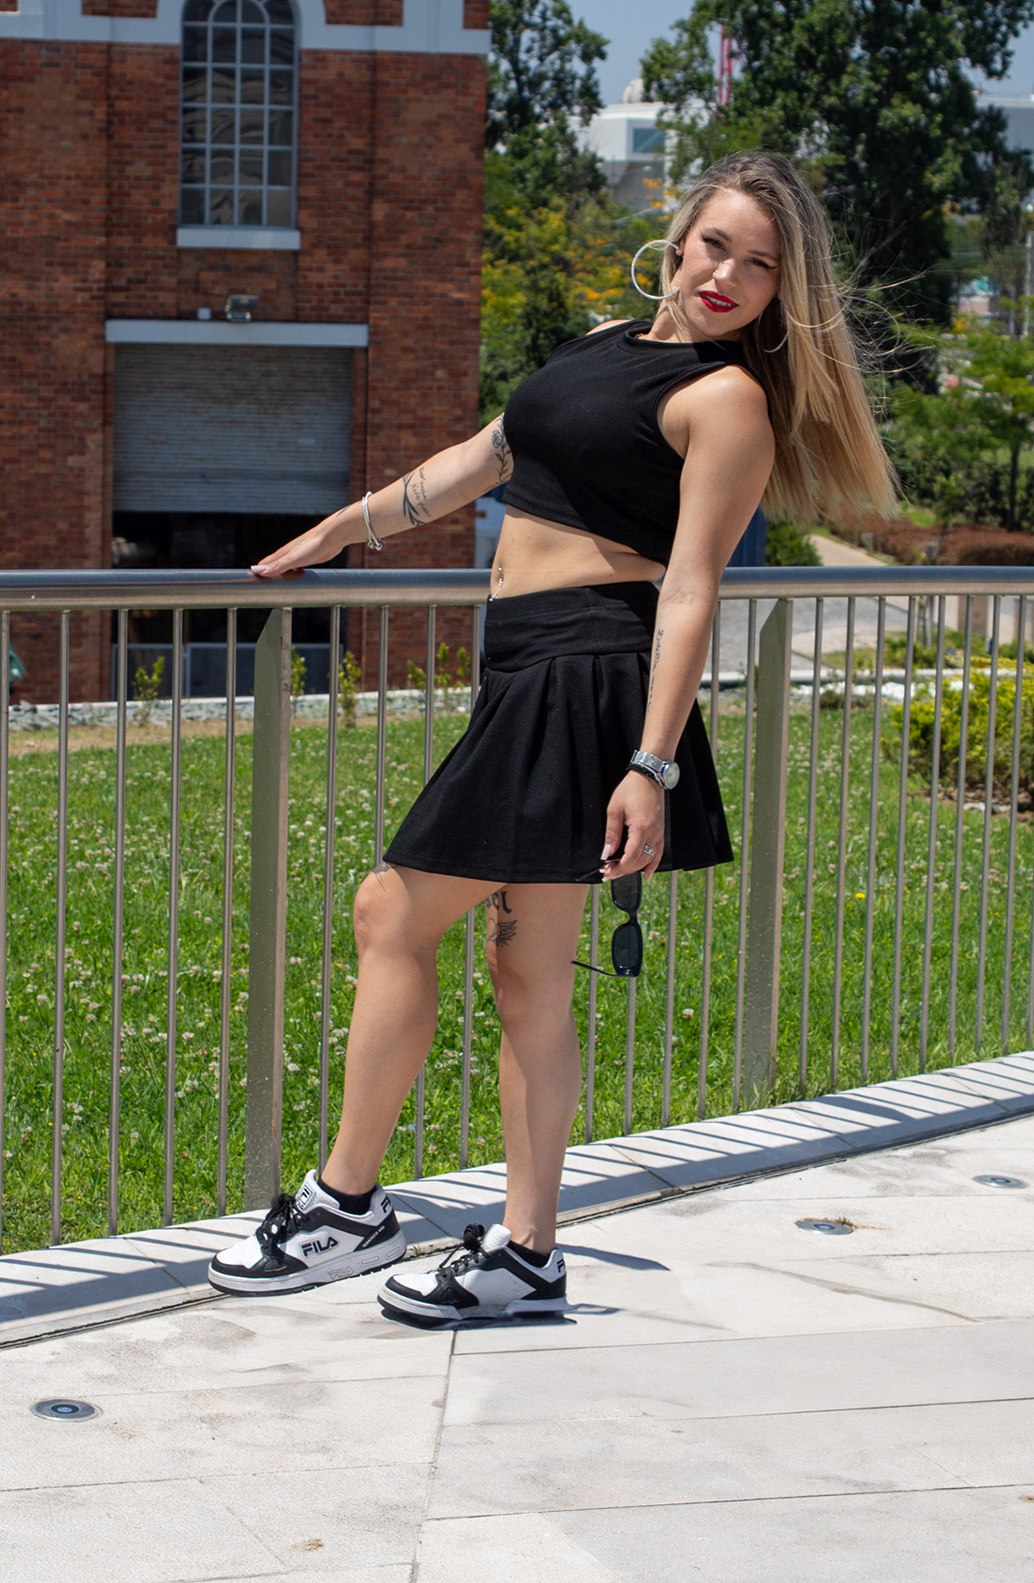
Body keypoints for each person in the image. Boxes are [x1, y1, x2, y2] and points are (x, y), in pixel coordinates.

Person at [206, 151, 894, 1323]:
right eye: (716, 244)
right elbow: (479, 462)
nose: (727, 275)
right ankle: (527, 1256)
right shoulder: (599, 347)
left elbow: (691, 589)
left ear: (785, 292)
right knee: (525, 973)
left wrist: (651, 765)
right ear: (678, 235)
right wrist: (335, 533)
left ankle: (346, 1205)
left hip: (588, 677)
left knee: (391, 911)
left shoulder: (728, 400)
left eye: (760, 265)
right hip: (526, 668)